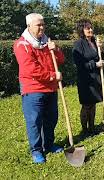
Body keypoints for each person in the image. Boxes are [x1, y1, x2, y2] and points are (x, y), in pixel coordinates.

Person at [13, 13, 64, 163]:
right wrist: (53, 76)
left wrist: (56, 50)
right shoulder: (22, 45)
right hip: (33, 89)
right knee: (34, 121)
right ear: (29, 26)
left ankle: (48, 144)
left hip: (50, 88)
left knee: (51, 118)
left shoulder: (46, 42)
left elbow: (60, 60)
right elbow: (31, 69)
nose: (42, 27)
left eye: (43, 24)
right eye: (38, 25)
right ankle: (36, 150)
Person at [73, 19, 104, 134]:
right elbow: (79, 63)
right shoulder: (78, 44)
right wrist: (95, 64)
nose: (91, 30)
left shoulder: (94, 42)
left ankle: (92, 127)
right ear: (82, 30)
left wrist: (101, 49)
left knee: (94, 103)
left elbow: (99, 57)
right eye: (87, 28)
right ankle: (84, 129)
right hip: (85, 79)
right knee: (87, 105)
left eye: (91, 27)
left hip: (95, 77)